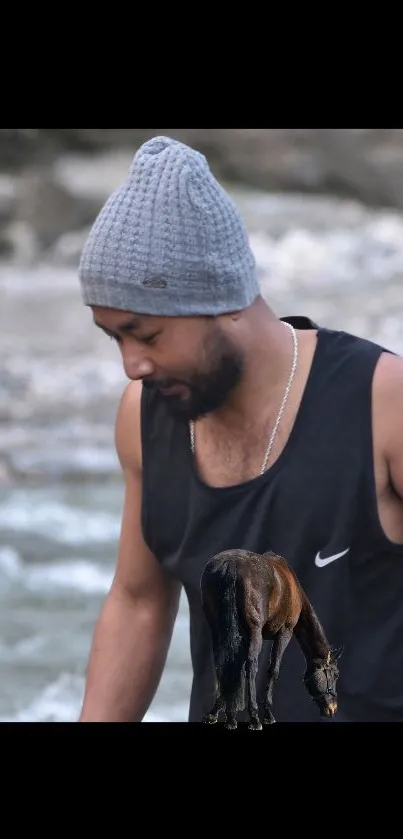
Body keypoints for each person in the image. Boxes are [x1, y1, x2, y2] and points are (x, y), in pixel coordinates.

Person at [76, 135, 403, 723]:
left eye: (146, 335)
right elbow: (138, 604)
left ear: (223, 298)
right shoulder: (142, 416)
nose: (131, 365)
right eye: (114, 338)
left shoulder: (383, 402)